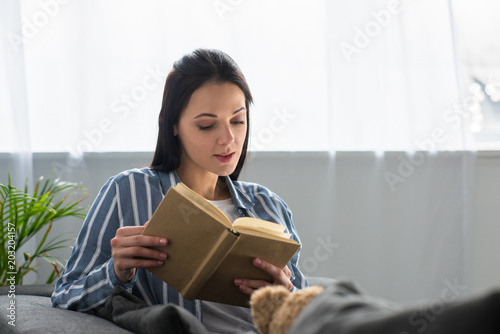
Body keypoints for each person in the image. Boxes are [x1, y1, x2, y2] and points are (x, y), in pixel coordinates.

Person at [51, 48, 308, 333]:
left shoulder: (269, 206)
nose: (229, 139)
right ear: (173, 125)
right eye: (207, 125)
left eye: (238, 120)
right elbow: (65, 295)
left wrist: (286, 296)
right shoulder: (128, 192)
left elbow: (307, 315)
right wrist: (115, 272)